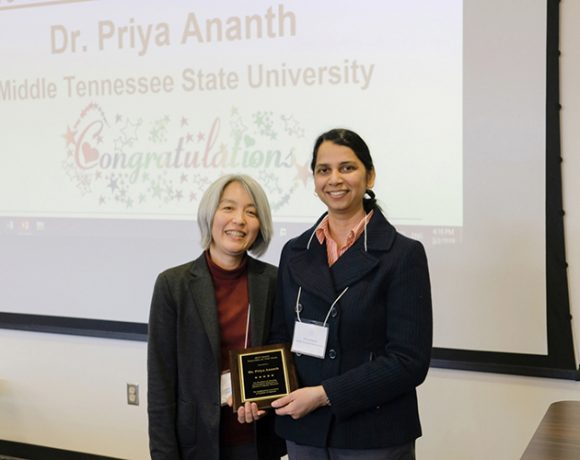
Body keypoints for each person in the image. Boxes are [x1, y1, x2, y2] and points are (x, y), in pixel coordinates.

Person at [266, 129, 432, 459]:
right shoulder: (295, 251)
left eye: (347, 167)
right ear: (314, 181)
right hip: (305, 430)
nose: (334, 179)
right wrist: (258, 393)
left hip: (373, 434)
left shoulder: (402, 254)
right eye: (323, 170)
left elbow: (409, 361)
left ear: (370, 176)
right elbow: (281, 337)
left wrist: (324, 394)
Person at [147, 174, 286, 460]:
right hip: (196, 441)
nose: (239, 220)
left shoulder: (273, 281)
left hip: (258, 439)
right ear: (210, 215)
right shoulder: (173, 284)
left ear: (260, 225)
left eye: (251, 212)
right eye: (228, 208)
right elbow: (161, 381)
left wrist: (264, 399)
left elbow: (282, 359)